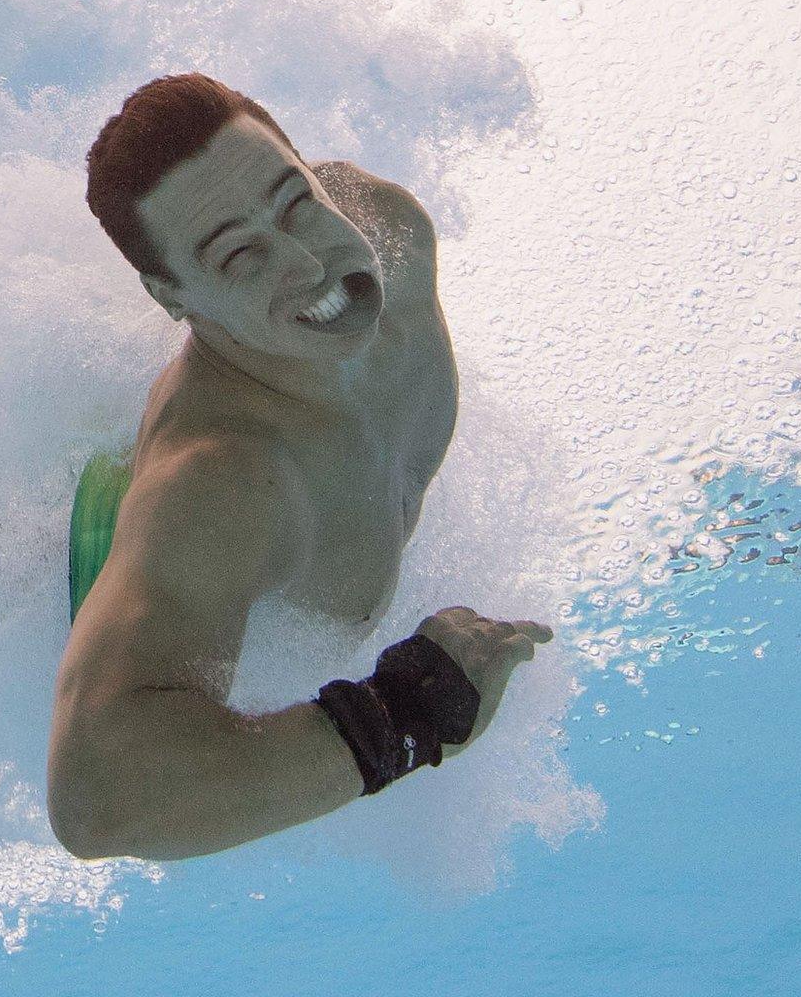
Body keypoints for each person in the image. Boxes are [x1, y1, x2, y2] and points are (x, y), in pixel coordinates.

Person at [44, 73, 552, 860]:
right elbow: (95, 802)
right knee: (6, 575)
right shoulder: (225, 485)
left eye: (295, 202)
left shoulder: (390, 227)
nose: (308, 264)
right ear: (170, 297)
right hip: (118, 543)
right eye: (240, 255)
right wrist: (400, 719)